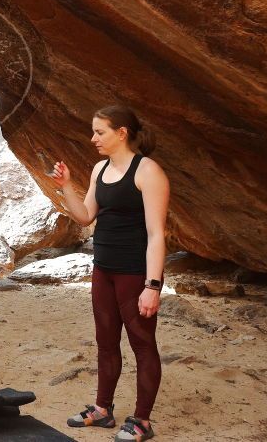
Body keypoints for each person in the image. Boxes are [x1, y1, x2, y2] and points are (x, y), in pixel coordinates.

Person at [50, 105, 169, 442]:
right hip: (102, 269)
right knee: (105, 342)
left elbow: (158, 234)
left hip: (134, 272)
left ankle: (142, 421)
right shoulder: (99, 169)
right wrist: (66, 185)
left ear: (122, 133)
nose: (93, 138)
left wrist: (153, 285)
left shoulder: (148, 172)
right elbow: (86, 217)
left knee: (143, 344)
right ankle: (103, 410)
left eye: (99, 131)